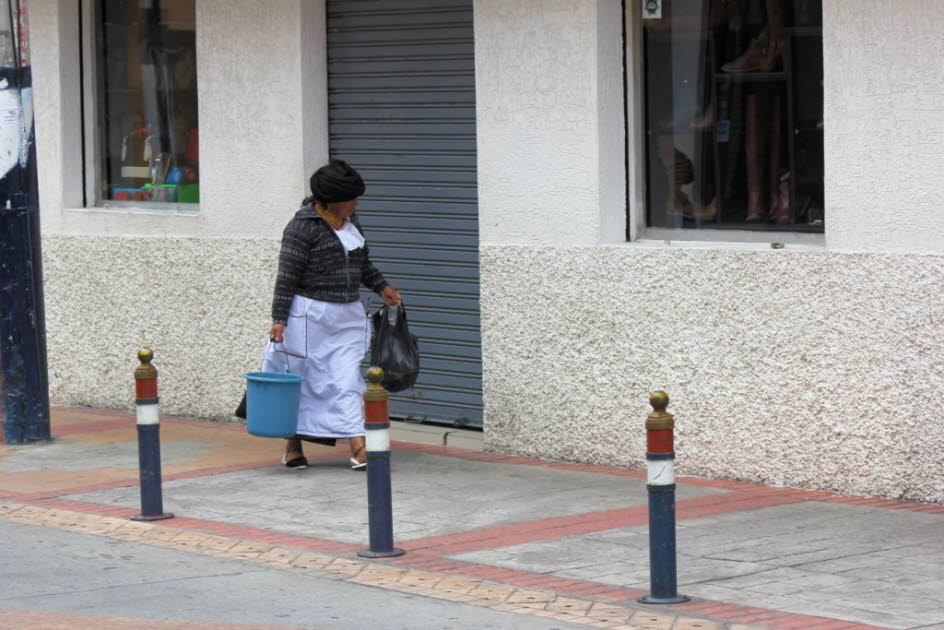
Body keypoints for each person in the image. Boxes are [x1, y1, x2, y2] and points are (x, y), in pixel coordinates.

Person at [265, 159, 401, 470]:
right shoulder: (302, 227)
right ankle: (294, 444)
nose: (355, 204)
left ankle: (357, 445)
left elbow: (362, 264)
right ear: (332, 200)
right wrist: (279, 319)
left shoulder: (351, 224)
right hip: (308, 318)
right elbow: (286, 277)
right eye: (351, 198)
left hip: (347, 316)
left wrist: (382, 287)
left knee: (344, 379)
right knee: (304, 382)